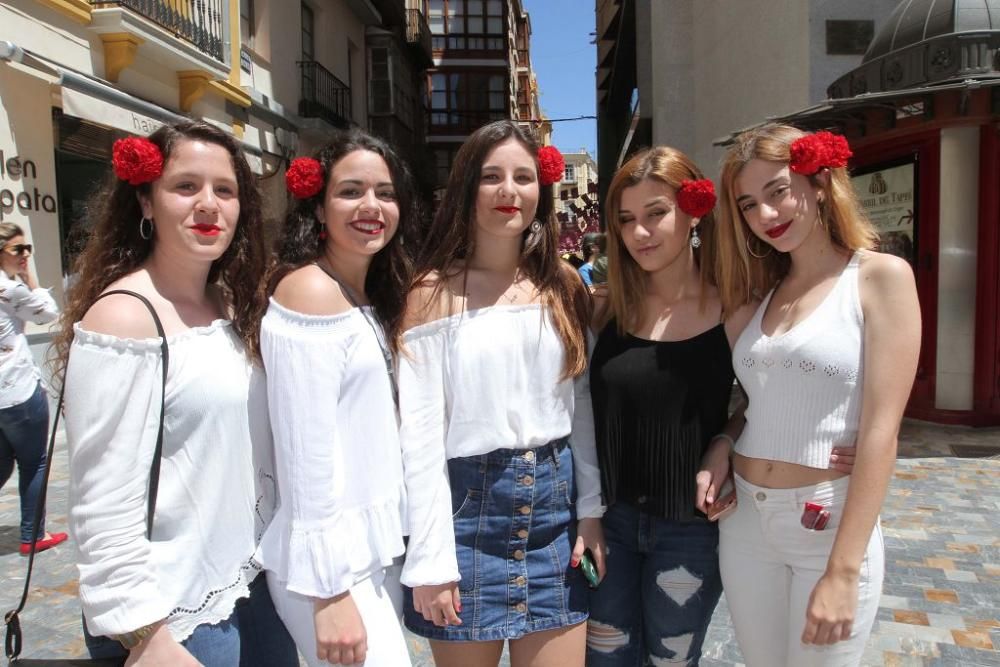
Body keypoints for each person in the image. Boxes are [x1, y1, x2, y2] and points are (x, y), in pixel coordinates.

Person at [55, 121, 297, 665]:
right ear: (146, 201)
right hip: (175, 612)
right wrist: (146, 636)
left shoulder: (230, 305)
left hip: (249, 583)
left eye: (225, 190)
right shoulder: (124, 319)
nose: (208, 204)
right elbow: (99, 499)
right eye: (186, 186)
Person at [397, 120, 604, 667]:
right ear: (467, 188)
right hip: (467, 520)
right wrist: (430, 558)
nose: (509, 191)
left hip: (555, 520)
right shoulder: (431, 292)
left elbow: (578, 405)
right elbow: (418, 438)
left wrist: (590, 512)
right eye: (492, 177)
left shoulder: (562, 284)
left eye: (523, 177)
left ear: (542, 190)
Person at [714, 124, 920, 666]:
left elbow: (882, 430)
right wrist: (722, 442)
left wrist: (844, 570)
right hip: (745, 524)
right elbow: (756, 403)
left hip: (826, 525)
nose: (765, 215)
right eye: (748, 204)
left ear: (820, 182)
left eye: (778, 191)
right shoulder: (755, 297)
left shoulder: (880, 278)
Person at [256, 129, 417, 666]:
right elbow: (306, 453)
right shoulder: (310, 291)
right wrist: (328, 594)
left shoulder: (366, 292)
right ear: (319, 208)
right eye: (351, 191)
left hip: (370, 551)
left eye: (385, 193)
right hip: (328, 569)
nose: (371, 206)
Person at [0, 223, 65, 556]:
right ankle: (33, 534)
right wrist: (32, 281)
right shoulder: (9, 289)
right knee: (34, 462)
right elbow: (48, 314)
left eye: (28, 249)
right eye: (18, 250)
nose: (25, 256)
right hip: (18, 390)